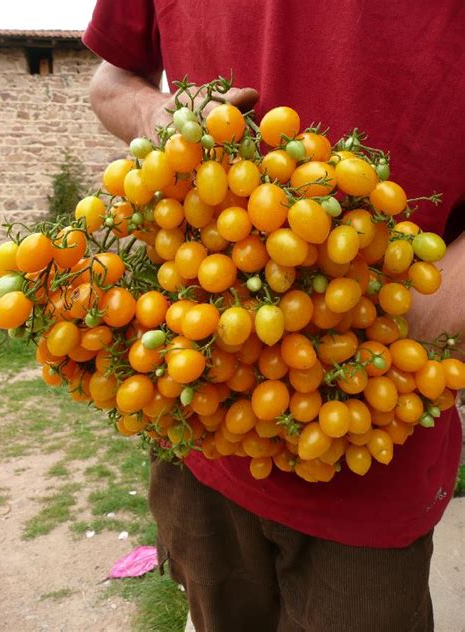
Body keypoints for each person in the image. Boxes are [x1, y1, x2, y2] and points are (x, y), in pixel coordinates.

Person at [82, 2, 465, 630]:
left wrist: (413, 323)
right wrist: (165, 118)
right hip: (200, 427)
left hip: (367, 443)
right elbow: (110, 81)